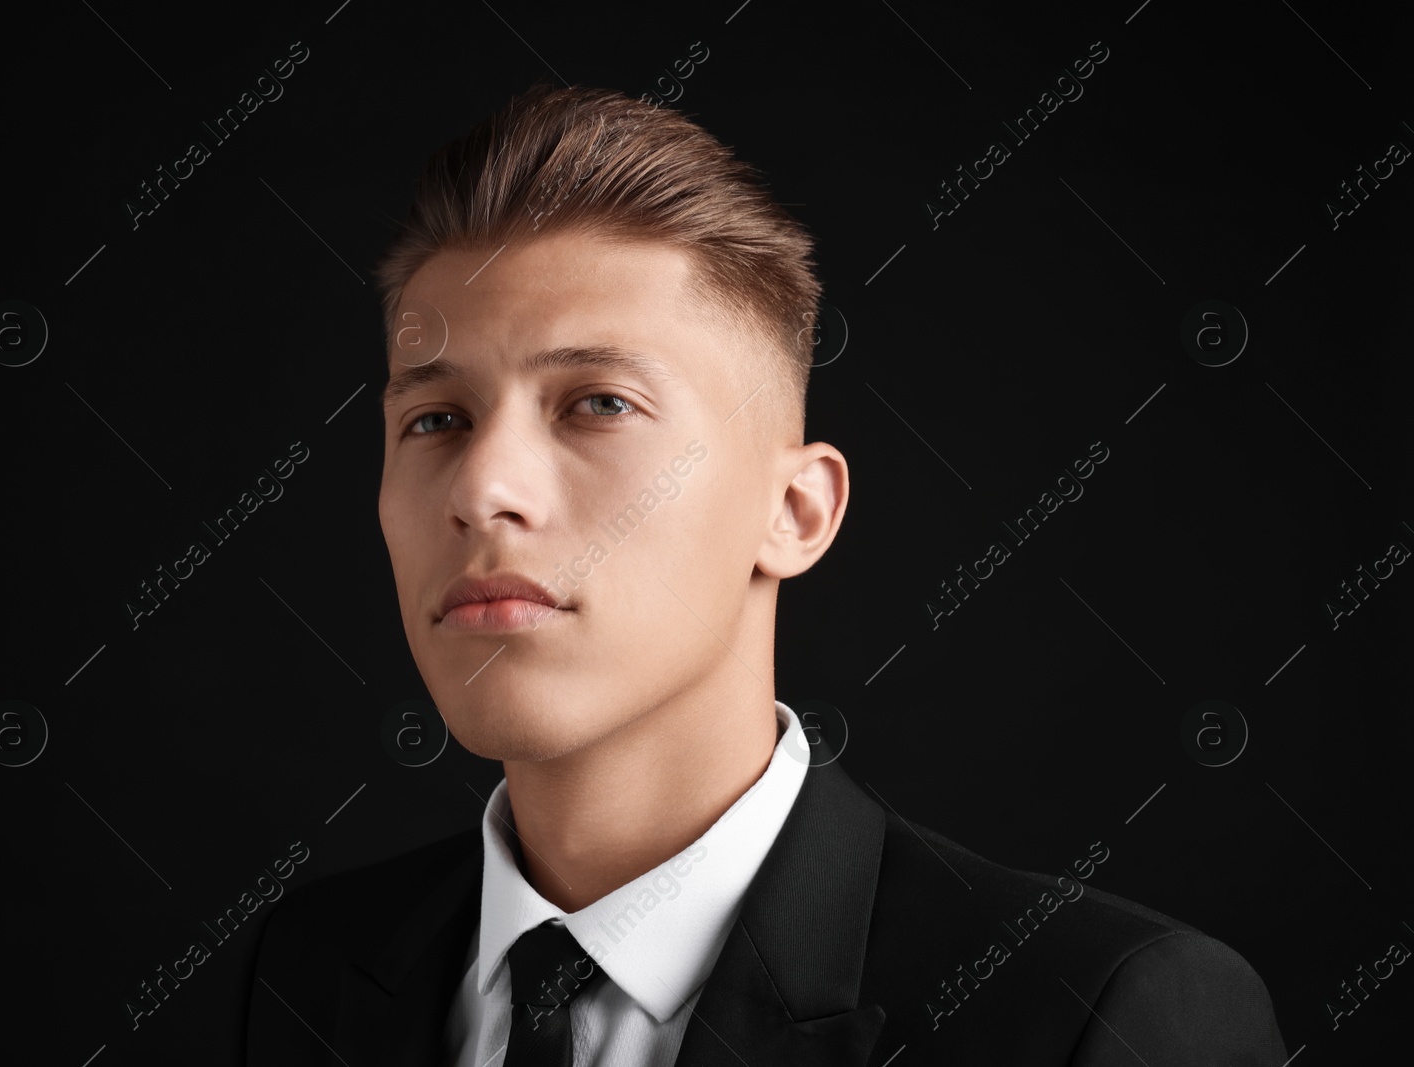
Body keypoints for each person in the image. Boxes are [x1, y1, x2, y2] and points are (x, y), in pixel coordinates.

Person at [243, 83, 1287, 1066]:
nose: (483, 487)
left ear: (794, 511)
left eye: (597, 402)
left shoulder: (1099, 1011)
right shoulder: (309, 968)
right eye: (435, 419)